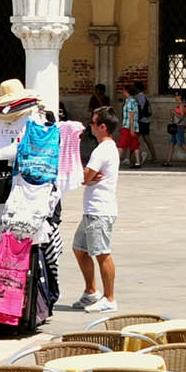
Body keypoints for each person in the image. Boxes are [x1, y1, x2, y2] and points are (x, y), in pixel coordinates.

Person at [74, 108, 119, 313]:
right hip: (92, 209)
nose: (90, 126)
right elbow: (88, 176)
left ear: (102, 126)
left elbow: (85, 176)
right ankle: (91, 290)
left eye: (93, 123)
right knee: (80, 249)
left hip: (100, 209)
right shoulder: (106, 148)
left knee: (102, 253)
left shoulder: (102, 149)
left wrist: (85, 176)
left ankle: (109, 298)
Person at [119, 85, 142, 168]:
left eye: (124, 90)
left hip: (128, 126)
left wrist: (131, 128)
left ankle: (116, 161)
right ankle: (137, 162)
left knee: (121, 144)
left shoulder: (129, 102)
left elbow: (131, 115)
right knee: (135, 145)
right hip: (134, 126)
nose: (123, 92)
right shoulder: (134, 101)